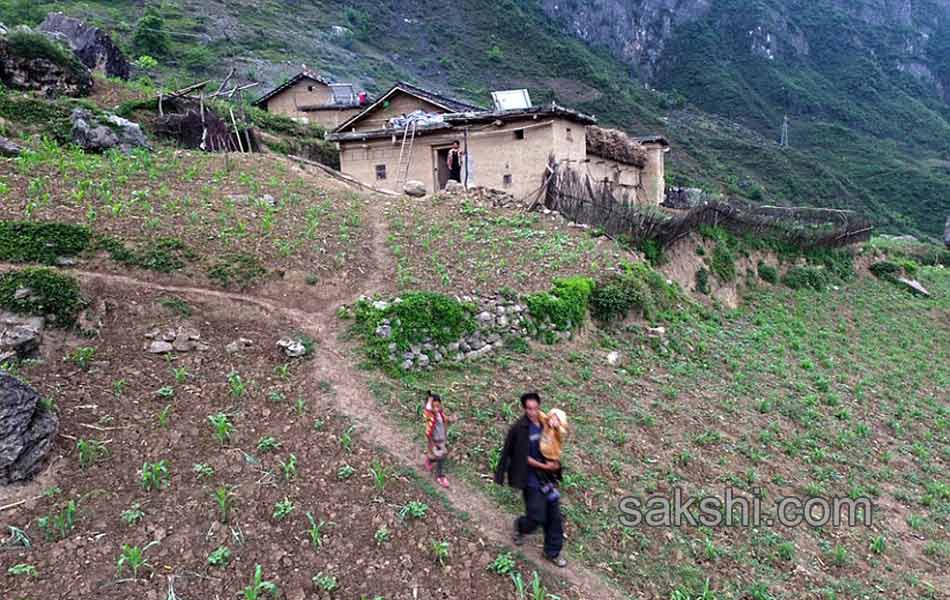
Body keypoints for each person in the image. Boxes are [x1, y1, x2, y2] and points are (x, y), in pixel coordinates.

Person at [494, 391, 566, 567]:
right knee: (536, 517)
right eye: (529, 409)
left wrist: (555, 465)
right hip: (530, 479)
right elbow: (521, 456)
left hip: (547, 479)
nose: (532, 412)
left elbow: (556, 441)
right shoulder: (520, 429)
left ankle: (552, 552)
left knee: (555, 517)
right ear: (524, 409)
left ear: (539, 407)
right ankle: (520, 526)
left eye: (535, 408)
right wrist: (544, 466)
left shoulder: (545, 423)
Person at [423, 391, 454, 488]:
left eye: (438, 406)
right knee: (441, 457)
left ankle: (429, 460)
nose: (436, 409)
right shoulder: (430, 416)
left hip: (442, 438)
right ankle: (440, 476)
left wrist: (451, 419)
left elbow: (446, 420)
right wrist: (430, 399)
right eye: (434, 407)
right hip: (435, 440)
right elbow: (427, 409)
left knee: (439, 455)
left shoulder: (440, 414)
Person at [537, 408, 569, 502]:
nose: (553, 421)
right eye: (552, 418)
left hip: (553, 457)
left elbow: (562, 431)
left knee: (554, 470)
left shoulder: (558, 432)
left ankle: (554, 482)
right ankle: (545, 485)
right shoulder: (545, 423)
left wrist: (558, 425)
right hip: (543, 454)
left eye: (557, 420)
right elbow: (540, 415)